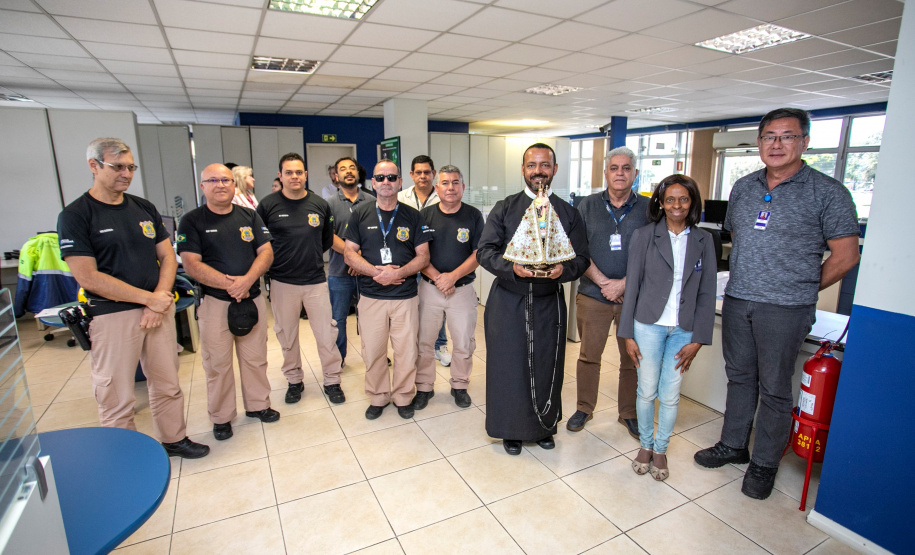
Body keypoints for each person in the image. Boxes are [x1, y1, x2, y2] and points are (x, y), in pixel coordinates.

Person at [694, 108, 860, 499]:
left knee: (774, 388)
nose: (777, 144)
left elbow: (847, 255)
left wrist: (802, 287)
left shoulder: (828, 192)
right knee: (740, 377)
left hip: (785, 308)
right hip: (738, 300)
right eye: (769, 136)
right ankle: (734, 444)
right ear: (759, 142)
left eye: (787, 136)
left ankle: (764, 464)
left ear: (805, 142)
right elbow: (741, 238)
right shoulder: (745, 186)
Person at [57, 137, 208, 458]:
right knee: (117, 394)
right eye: (118, 167)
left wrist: (160, 297)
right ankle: (126, 456)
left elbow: (168, 258)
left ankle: (174, 438)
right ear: (94, 166)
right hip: (112, 315)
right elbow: (88, 277)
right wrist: (148, 299)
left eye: (130, 167)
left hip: (158, 309)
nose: (126, 174)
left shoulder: (143, 208)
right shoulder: (76, 215)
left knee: (167, 383)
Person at [477, 143, 590, 455]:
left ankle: (544, 426)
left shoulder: (568, 213)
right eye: (532, 165)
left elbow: (581, 259)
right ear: (523, 170)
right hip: (508, 301)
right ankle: (509, 429)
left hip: (548, 302)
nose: (538, 171)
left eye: (545, 165)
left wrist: (562, 270)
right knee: (507, 366)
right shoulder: (504, 208)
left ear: (554, 169)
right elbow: (484, 251)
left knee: (547, 365)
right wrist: (511, 267)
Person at [618, 174, 717, 481]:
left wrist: (699, 338)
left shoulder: (704, 240)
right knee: (646, 391)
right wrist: (627, 334)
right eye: (670, 199)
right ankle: (645, 445)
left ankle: (661, 449)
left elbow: (707, 291)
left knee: (671, 395)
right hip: (648, 326)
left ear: (692, 203)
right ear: (660, 203)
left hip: (683, 330)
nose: (677, 205)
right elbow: (632, 285)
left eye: (683, 199)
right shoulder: (644, 235)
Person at [178, 163, 280, 441]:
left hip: (252, 298)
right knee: (218, 364)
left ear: (233, 185)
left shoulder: (249, 216)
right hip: (215, 303)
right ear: (203, 187)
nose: (220, 185)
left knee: (255, 359)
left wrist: (247, 281)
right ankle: (222, 417)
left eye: (225, 180)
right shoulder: (192, 221)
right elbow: (190, 264)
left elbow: (266, 252)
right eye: (213, 180)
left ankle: (258, 405)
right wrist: (231, 285)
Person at [568, 146, 649, 437]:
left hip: (634, 298)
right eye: (614, 168)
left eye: (626, 168)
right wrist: (604, 282)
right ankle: (584, 408)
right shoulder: (587, 206)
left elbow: (653, 252)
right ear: (605, 173)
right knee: (589, 356)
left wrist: (624, 284)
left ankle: (628, 412)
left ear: (635, 174)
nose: (620, 173)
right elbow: (576, 250)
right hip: (593, 294)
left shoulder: (649, 209)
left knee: (632, 359)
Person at [343, 160, 431, 420]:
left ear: (400, 182)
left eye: (391, 177)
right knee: (374, 350)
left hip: (405, 297)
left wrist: (399, 273)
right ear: (372, 183)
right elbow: (349, 254)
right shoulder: (359, 213)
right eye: (380, 178)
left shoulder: (413, 216)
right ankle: (379, 396)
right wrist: (377, 273)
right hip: (371, 296)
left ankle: (404, 396)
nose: (386, 182)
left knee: (406, 351)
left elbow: (423, 256)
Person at [257, 153, 344, 405]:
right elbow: (260, 242)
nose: (294, 176)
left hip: (316, 280)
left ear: (305, 174)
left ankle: (332, 380)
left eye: (299, 172)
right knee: (287, 335)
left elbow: (327, 239)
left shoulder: (319, 204)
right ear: (280, 175)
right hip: (283, 282)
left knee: (326, 335)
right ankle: (294, 380)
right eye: (289, 172)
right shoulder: (267, 205)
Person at [412, 165, 484, 410]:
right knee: (424, 341)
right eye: (445, 183)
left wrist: (452, 277)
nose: (450, 187)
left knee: (464, 342)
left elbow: (478, 254)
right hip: (430, 289)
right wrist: (438, 278)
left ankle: (460, 385)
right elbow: (418, 254)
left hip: (462, 290)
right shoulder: (424, 216)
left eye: (455, 182)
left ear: (462, 187)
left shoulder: (474, 216)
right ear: (437, 187)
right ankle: (423, 387)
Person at [397, 155, 451, 368]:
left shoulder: (443, 196)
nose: (422, 176)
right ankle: (414, 347)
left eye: (426, 172)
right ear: (411, 175)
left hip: (434, 261)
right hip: (408, 261)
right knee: (410, 307)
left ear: (433, 174)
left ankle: (440, 346)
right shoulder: (401, 197)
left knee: (438, 306)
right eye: (418, 172)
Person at [327, 157, 373, 365]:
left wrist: (360, 261)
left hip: (368, 271)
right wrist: (353, 258)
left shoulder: (372, 201)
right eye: (343, 169)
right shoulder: (329, 205)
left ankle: (374, 355)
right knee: (338, 318)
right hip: (339, 272)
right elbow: (329, 235)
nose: (348, 172)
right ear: (336, 175)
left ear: (358, 173)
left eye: (352, 168)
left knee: (372, 317)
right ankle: (339, 357)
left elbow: (378, 235)